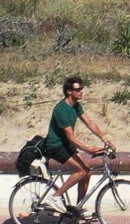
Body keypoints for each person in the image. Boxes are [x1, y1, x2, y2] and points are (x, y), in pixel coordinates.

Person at [44, 75, 114, 216]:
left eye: (82, 88)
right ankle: (55, 196)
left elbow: (89, 123)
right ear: (69, 91)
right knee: (81, 171)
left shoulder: (76, 106)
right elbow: (71, 137)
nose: (82, 91)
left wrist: (104, 139)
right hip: (56, 146)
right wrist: (89, 149)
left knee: (87, 172)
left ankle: (78, 207)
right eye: (78, 89)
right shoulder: (61, 110)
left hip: (66, 145)